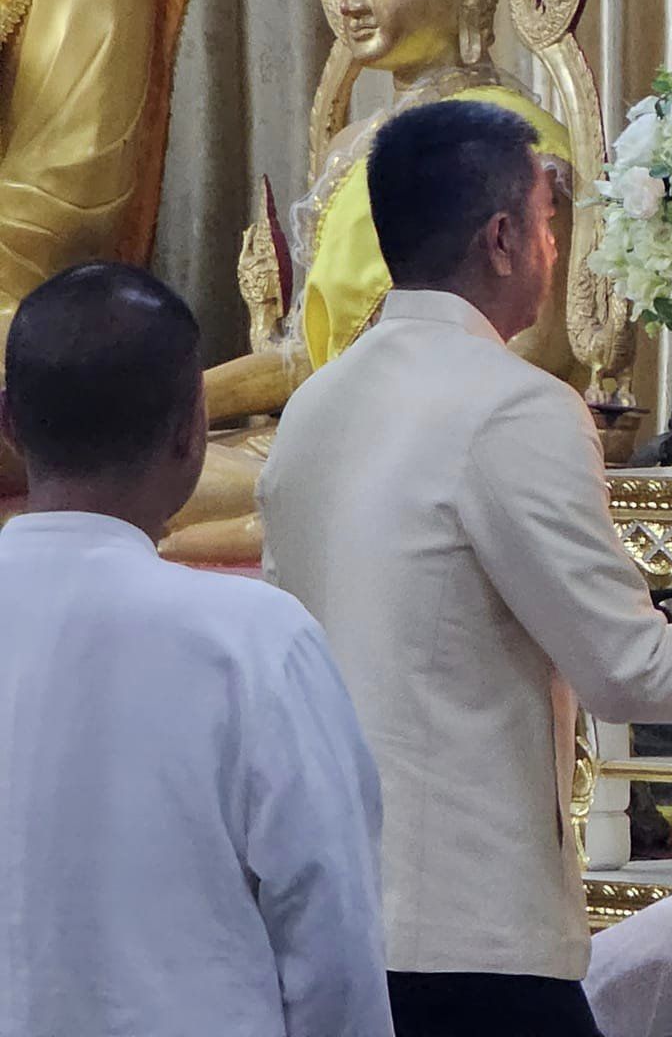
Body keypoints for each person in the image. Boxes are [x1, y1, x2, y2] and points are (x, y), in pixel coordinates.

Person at [262, 100, 672, 1037]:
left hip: (327, 918)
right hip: (465, 928)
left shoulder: (315, 405)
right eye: (545, 225)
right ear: (501, 238)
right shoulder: (514, 406)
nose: (550, 249)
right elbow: (625, 669)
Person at [0, 263, 390, 1037]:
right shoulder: (256, 641)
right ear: (192, 431)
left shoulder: (255, 641)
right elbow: (331, 938)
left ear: (8, 422)